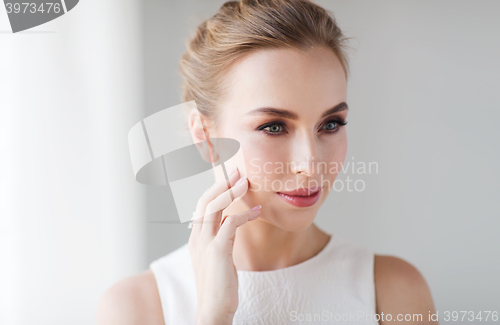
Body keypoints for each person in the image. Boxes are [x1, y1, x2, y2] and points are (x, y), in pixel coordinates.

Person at [97, 0, 438, 324]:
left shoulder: (394, 292)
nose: (310, 164)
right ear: (204, 136)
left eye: (330, 124)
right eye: (273, 127)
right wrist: (213, 318)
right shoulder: (138, 307)